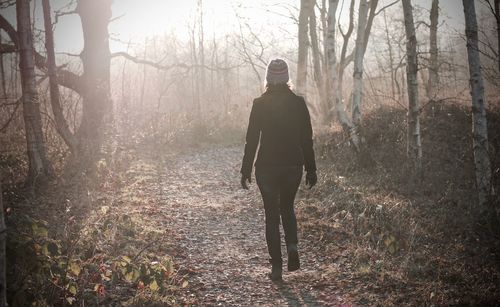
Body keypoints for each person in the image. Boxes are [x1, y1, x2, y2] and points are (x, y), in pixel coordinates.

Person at [240, 58, 317, 281]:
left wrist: (245, 170)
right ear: (286, 78)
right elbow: (306, 140)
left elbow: (251, 140)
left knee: (271, 216)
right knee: (287, 208)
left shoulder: (259, 104)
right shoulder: (298, 103)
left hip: (266, 167)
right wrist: (311, 169)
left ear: (268, 78)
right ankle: (292, 246)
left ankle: (276, 267)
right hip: (293, 165)